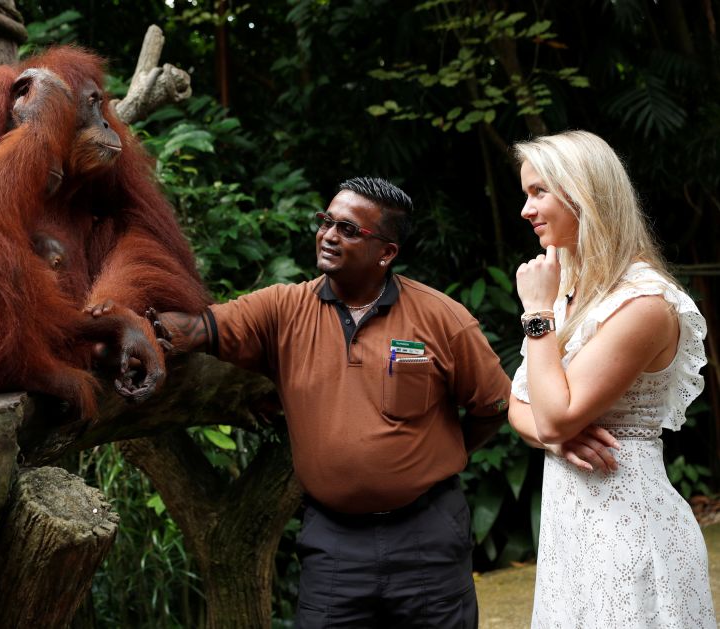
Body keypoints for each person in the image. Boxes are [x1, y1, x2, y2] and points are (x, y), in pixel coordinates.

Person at [156, 177, 511, 628]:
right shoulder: (283, 310)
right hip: (334, 542)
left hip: (427, 536)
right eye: (327, 222)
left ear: (386, 253)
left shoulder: (441, 318)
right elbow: (200, 327)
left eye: (348, 229)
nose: (328, 234)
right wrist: (140, 333)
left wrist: (435, 455)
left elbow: (494, 407)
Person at [508, 130, 715, 627]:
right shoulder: (568, 291)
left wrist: (536, 312)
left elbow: (552, 416)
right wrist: (556, 440)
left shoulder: (643, 303)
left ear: (584, 193)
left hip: (629, 532)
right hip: (570, 532)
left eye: (538, 192)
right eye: (525, 194)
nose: (525, 210)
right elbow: (517, 403)